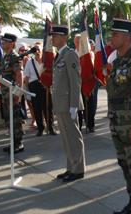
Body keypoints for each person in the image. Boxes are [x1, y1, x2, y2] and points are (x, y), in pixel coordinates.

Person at [106, 19, 131, 214]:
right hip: (117, 122)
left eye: (115, 35)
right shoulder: (118, 61)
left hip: (130, 124)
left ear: (127, 37)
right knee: (125, 164)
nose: (111, 38)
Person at [51, 25, 85, 182]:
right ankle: (71, 167)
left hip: (68, 104)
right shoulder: (59, 55)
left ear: (64, 37)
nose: (53, 38)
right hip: (60, 104)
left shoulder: (70, 54)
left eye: (56, 36)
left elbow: (75, 81)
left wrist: (74, 105)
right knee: (66, 138)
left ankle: (78, 169)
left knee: (73, 137)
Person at [24, 43, 56, 136]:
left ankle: (50, 128)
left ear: (42, 51)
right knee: (37, 109)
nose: (37, 52)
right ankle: (40, 128)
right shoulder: (30, 62)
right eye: (35, 50)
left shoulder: (46, 61)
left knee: (48, 108)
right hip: (34, 87)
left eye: (39, 50)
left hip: (45, 86)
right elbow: (26, 77)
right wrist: (28, 91)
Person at [0, 33, 25, 153]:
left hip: (12, 93)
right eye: (2, 41)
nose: (2, 43)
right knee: (9, 119)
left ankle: (19, 143)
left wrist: (17, 93)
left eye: (5, 41)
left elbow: (19, 75)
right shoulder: (6, 57)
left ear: (12, 44)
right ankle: (13, 142)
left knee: (15, 119)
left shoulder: (15, 57)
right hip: (5, 93)